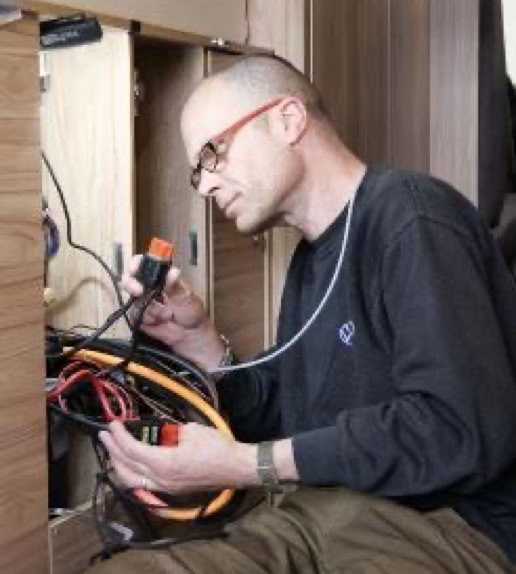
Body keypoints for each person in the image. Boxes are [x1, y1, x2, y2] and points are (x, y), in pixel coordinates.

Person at [88, 54, 516, 573]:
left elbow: (455, 430)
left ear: (288, 120)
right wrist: (200, 342)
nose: (203, 186)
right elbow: (291, 415)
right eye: (196, 171)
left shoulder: (412, 217)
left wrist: (248, 466)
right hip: (316, 517)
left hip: (446, 531)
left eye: (211, 154)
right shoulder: (310, 263)